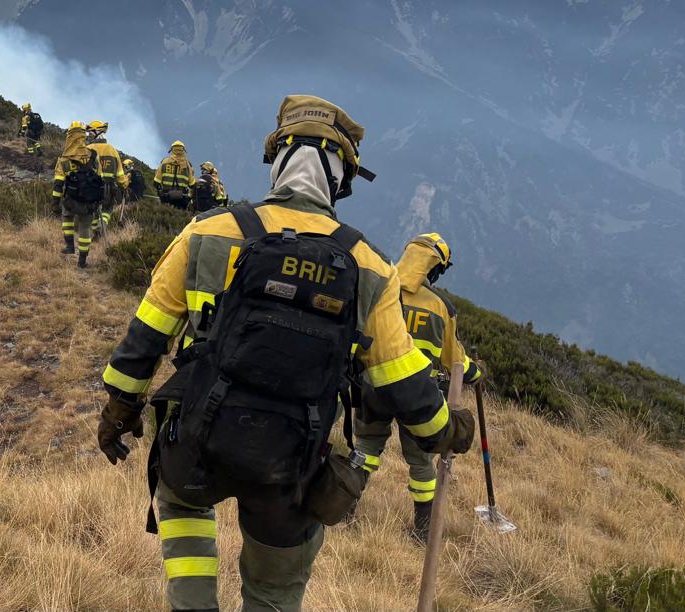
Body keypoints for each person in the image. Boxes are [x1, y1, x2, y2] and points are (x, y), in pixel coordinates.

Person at [97, 95, 475, 612]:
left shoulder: (206, 232)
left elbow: (142, 342)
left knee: (182, 511)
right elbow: (403, 383)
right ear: (341, 179)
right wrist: (446, 431)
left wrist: (119, 412)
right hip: (292, 464)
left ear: (276, 160)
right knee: (274, 592)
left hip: (195, 445)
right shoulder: (370, 267)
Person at [353, 232, 483, 542]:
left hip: (373, 386)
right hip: (417, 395)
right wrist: (474, 372)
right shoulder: (441, 307)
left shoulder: (380, 287)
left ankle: (344, 509)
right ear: (434, 268)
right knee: (421, 462)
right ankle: (424, 531)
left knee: (367, 449)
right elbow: (454, 360)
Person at [52, 122, 104, 268]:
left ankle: (69, 246)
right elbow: (100, 178)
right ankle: (82, 261)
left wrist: (55, 203)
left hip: (70, 200)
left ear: (69, 136)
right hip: (89, 202)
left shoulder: (64, 160)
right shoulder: (93, 156)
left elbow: (58, 184)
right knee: (85, 229)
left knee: (67, 218)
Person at [85, 120, 128, 236]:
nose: (89, 135)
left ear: (97, 132)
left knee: (93, 210)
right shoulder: (112, 150)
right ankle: (102, 224)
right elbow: (120, 174)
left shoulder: (87, 149)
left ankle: (95, 231)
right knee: (107, 209)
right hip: (109, 188)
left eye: (90, 133)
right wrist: (124, 186)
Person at [156, 141, 195, 210]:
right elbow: (192, 184)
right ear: (183, 150)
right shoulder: (188, 165)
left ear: (172, 150)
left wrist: (160, 194)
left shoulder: (164, 162)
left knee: (165, 215)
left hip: (166, 196)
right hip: (182, 198)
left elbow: (156, 182)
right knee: (181, 217)